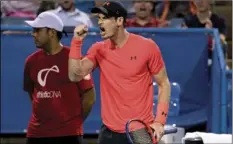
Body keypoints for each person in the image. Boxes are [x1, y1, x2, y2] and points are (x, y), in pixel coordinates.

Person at [69, 1, 171, 144]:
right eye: (98, 18)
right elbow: (74, 75)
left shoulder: (147, 47)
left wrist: (160, 121)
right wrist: (76, 42)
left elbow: (164, 84)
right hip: (109, 131)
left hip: (139, 130)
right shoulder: (98, 49)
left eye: (104, 18)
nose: (100, 22)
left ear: (119, 21)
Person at [23, 11, 96, 144]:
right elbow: (32, 93)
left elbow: (90, 97)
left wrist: (73, 122)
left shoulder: (75, 58)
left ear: (52, 33)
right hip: (36, 134)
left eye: (38, 30)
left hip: (68, 134)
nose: (34, 34)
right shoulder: (31, 61)